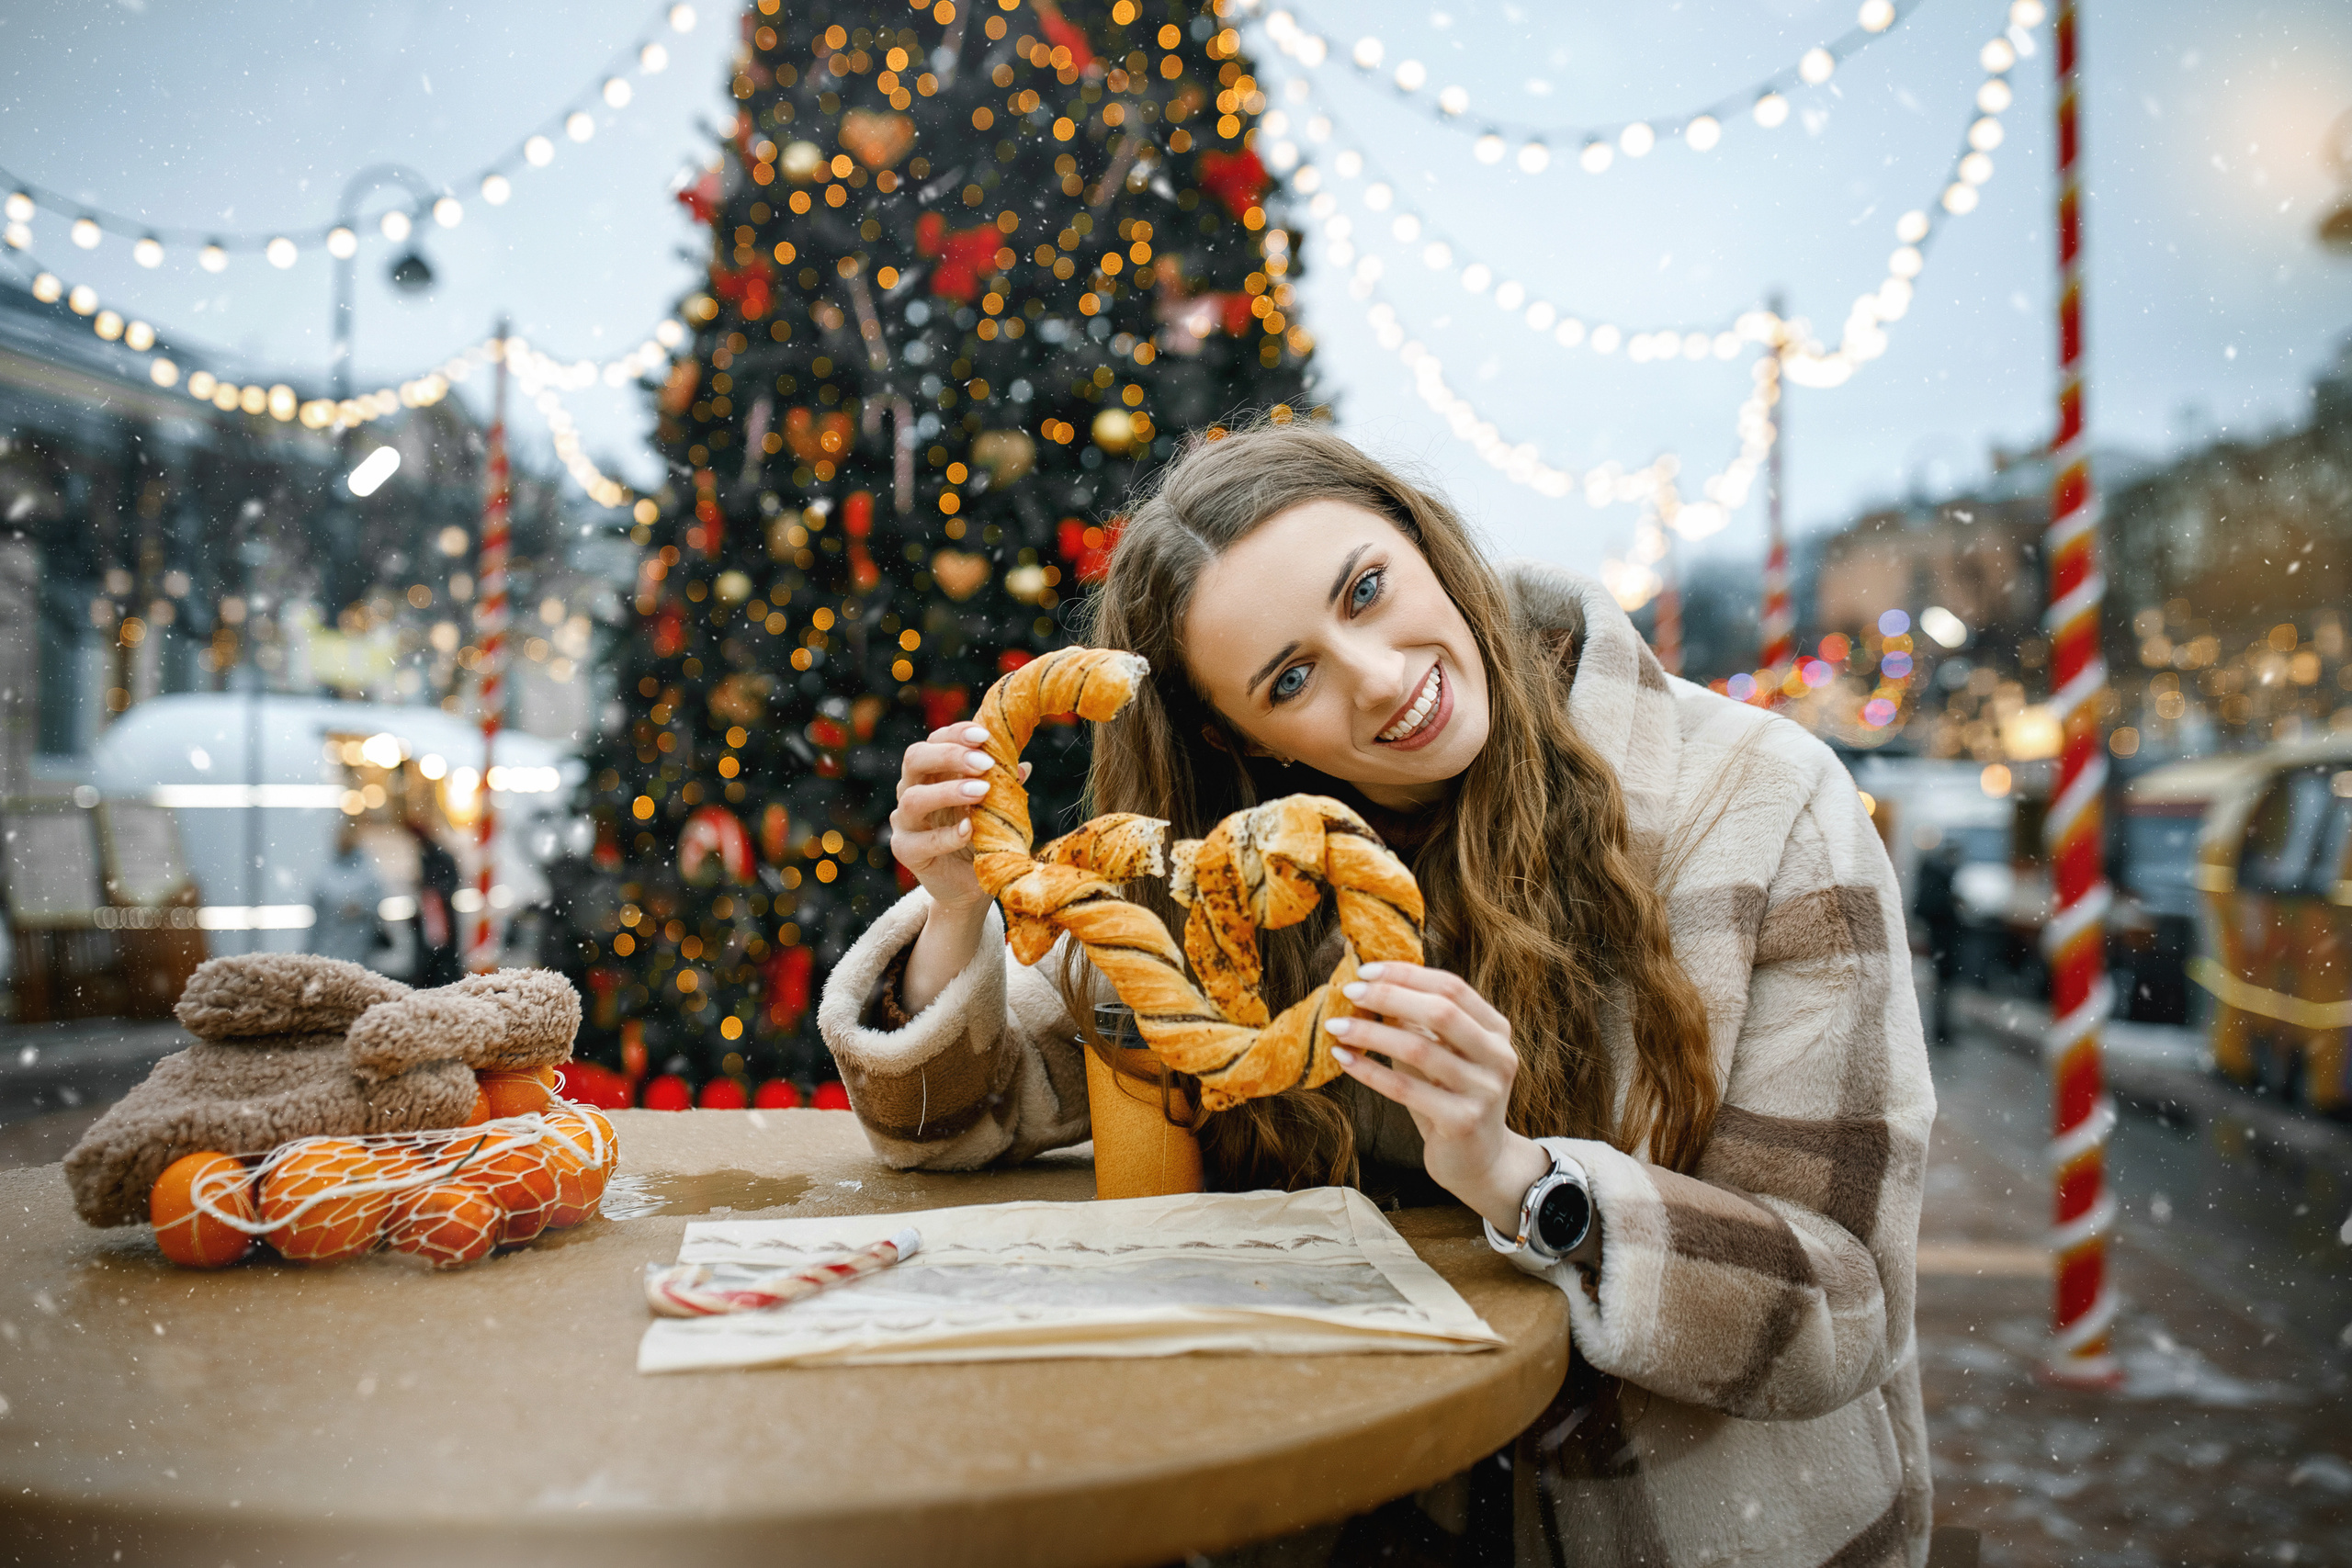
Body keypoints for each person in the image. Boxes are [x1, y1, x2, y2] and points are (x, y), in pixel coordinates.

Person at [819, 421, 1935, 1568]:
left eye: (1365, 590)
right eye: (1290, 678)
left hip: (1681, 1524)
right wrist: (956, 902)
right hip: (1347, 1506)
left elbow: (1838, 1307)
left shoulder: (1760, 804)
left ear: (1420, 540)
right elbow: (950, 1125)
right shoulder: (1228, 870)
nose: (1384, 680)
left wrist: (1520, 1178)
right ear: (1234, 731)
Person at [308, 819, 386, 968]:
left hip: (360, 945)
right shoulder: (326, 870)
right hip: (328, 946)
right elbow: (318, 912)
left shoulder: (366, 869)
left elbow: (377, 901)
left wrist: (361, 908)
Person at [1911, 839, 1965, 1045]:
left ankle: (1941, 1029)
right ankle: (1941, 1030)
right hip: (1944, 942)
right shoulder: (1941, 880)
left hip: (1940, 941)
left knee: (1942, 986)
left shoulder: (1934, 877)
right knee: (1944, 986)